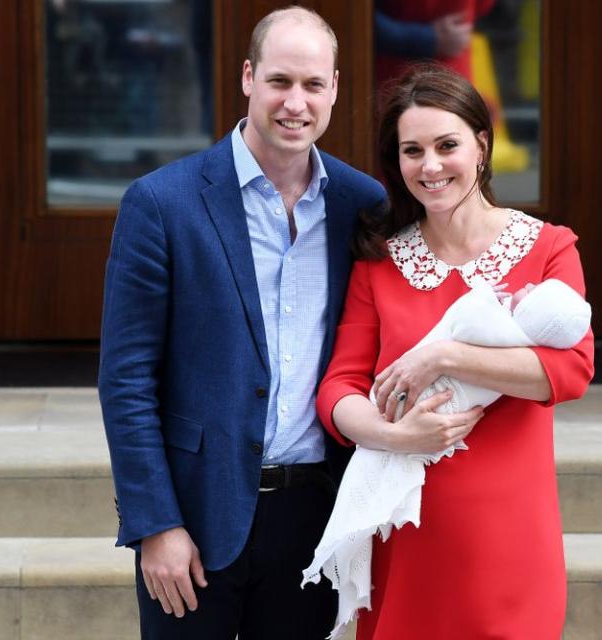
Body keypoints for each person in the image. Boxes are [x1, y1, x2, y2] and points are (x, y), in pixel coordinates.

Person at [98, 7, 385, 639]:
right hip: (194, 519)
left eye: (314, 85)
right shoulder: (161, 203)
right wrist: (155, 524)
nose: (296, 103)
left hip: (317, 514)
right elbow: (126, 380)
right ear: (248, 77)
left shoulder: (361, 205)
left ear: (335, 89)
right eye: (280, 81)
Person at [315, 64, 594, 639]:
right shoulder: (379, 262)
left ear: (482, 146)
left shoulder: (548, 248)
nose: (431, 165)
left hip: (511, 536)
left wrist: (443, 356)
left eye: (447, 145)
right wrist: (394, 435)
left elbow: (570, 370)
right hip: (405, 535)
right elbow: (337, 388)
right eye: (412, 151)